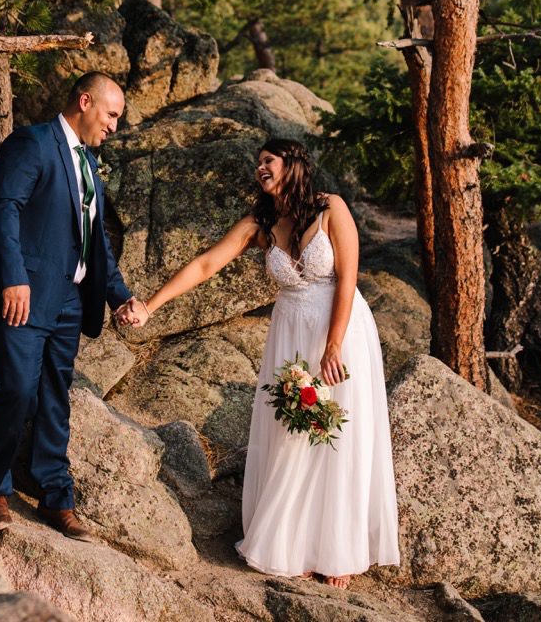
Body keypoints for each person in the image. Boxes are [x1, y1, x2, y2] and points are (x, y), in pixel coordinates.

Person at [122, 137, 399, 586]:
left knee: (337, 435)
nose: (260, 169)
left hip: (341, 328)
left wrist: (333, 344)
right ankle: (295, 543)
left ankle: (338, 551)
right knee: (294, 433)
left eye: (267, 161)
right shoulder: (261, 223)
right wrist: (151, 307)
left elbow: (348, 278)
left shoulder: (332, 208)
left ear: (292, 164)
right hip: (289, 333)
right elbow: (207, 264)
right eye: (257, 164)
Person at [0, 71, 145, 539]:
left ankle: (55, 498)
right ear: (84, 101)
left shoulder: (89, 163)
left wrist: (119, 295)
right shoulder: (32, 142)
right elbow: (2, 208)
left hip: (69, 300)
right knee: (17, 391)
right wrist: (13, 278)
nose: (113, 126)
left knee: (54, 397)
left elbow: (96, 243)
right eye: (110, 115)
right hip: (22, 295)